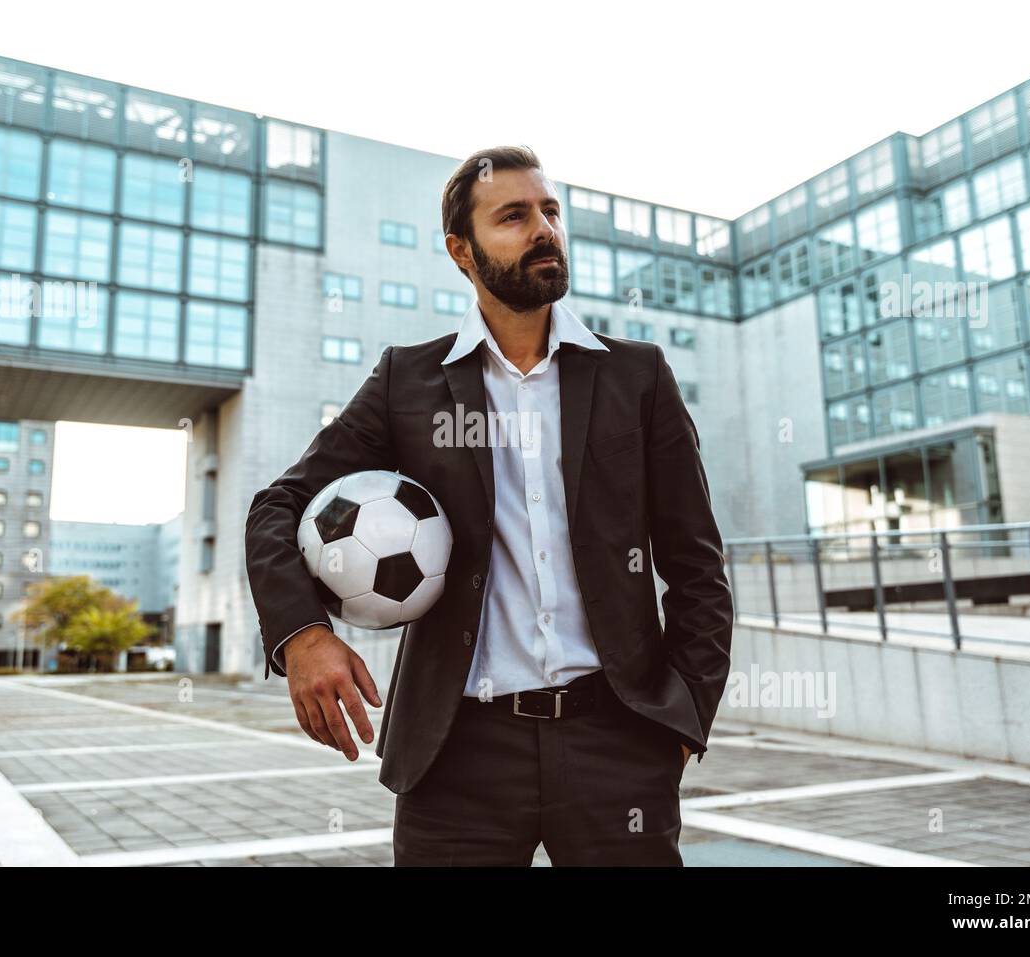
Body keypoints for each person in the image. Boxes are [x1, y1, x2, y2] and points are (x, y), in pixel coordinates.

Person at [245, 145, 733, 866]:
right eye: (514, 216)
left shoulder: (638, 376)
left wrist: (682, 717)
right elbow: (276, 506)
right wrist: (304, 635)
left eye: (549, 211)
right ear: (461, 251)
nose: (544, 229)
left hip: (618, 743)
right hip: (457, 753)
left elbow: (698, 567)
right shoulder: (406, 382)